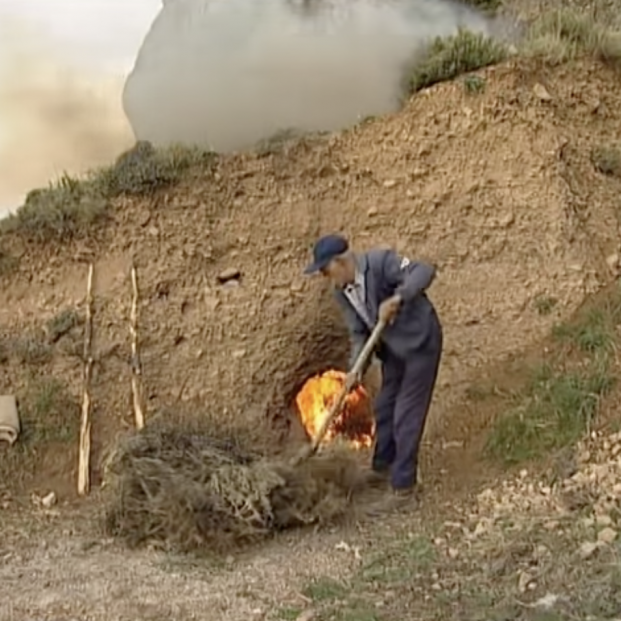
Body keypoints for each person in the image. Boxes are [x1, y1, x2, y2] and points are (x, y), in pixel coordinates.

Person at [303, 234, 443, 501]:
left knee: (406, 413)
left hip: (420, 343)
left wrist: (398, 298)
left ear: (340, 262)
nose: (324, 276)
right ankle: (382, 467)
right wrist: (355, 369)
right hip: (392, 352)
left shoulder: (380, 264)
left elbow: (423, 271)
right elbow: (358, 333)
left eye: (325, 269)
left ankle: (404, 486)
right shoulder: (341, 292)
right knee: (384, 408)